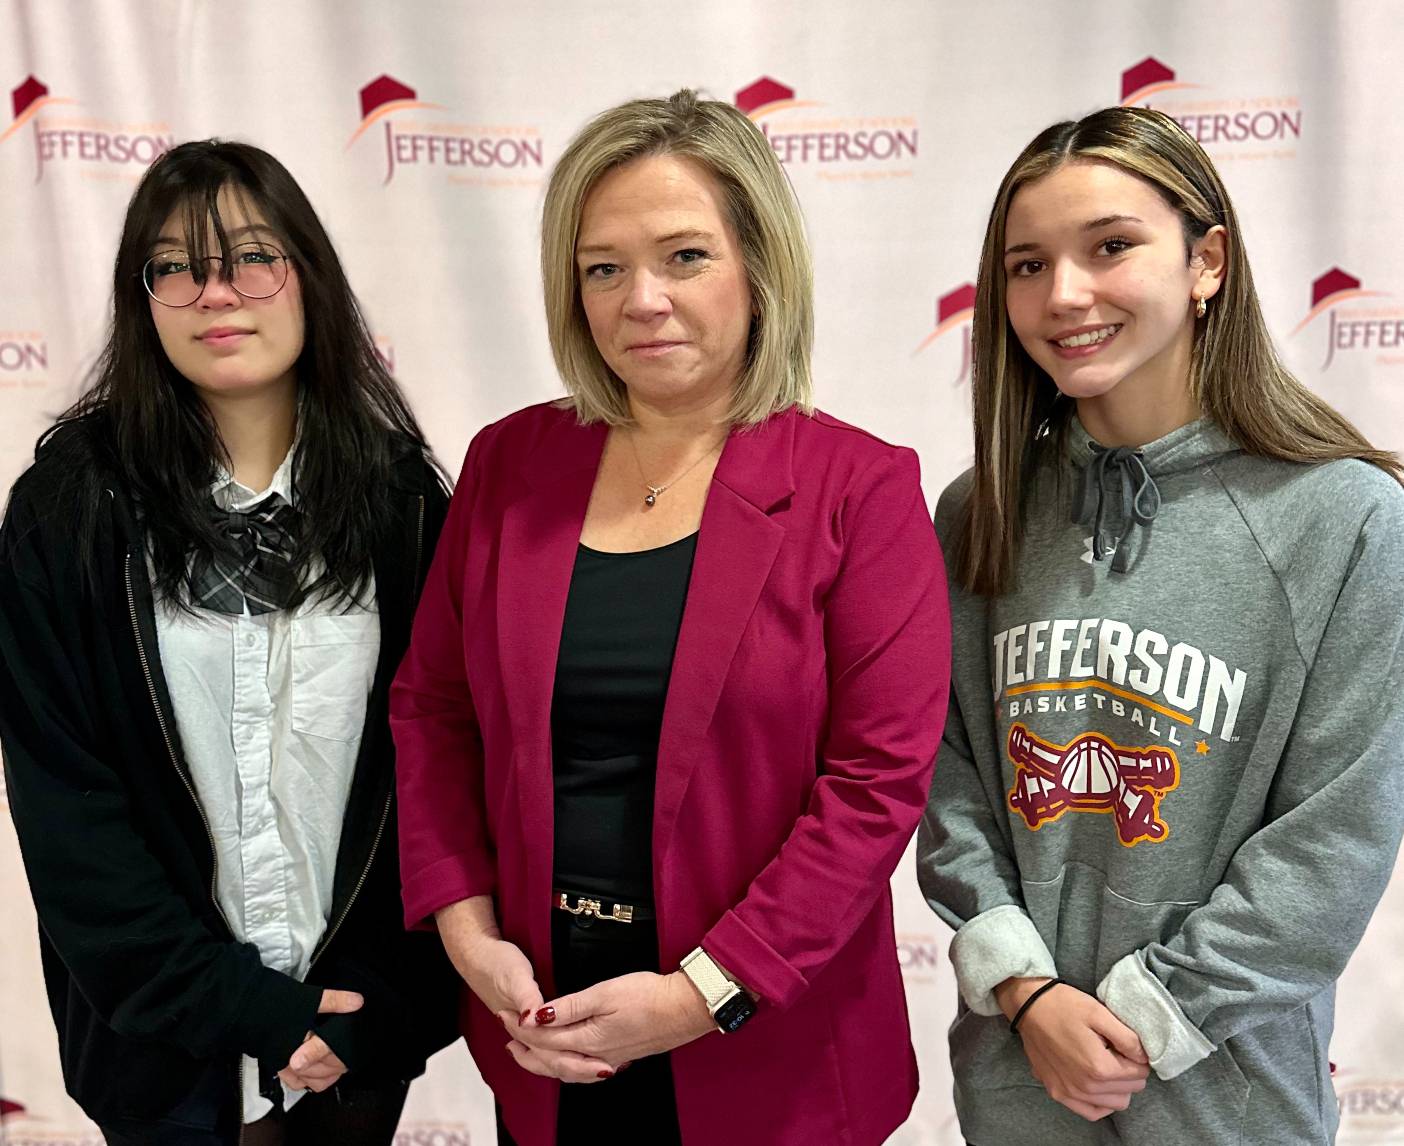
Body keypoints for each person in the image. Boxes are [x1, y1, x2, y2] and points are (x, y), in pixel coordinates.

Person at [390, 89, 951, 1146]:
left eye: (684, 257)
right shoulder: (509, 463)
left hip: (769, 1057)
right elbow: (434, 710)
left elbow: (875, 787)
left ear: (759, 267)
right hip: (544, 1038)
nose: (641, 300)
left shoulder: (859, 489)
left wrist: (705, 993)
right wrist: (466, 931)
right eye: (603, 268)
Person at [915, 105, 1404, 1146]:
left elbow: (1336, 837)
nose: (1064, 295)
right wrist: (1025, 992)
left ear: (1206, 262)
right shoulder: (978, 513)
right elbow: (948, 779)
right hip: (1018, 1087)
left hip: (1230, 1102)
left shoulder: (1348, 518)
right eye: (1028, 265)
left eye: (1110, 247)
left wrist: (1152, 1016)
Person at [0, 140, 459, 1145]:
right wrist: (245, 1009)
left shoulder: (402, 504)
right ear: (143, 299)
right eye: (174, 266)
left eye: (252, 257)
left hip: (355, 1033)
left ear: (309, 273)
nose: (216, 293)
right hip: (163, 1050)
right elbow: (68, 812)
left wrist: (384, 1002)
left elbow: (435, 773)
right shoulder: (68, 511)